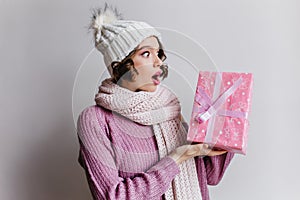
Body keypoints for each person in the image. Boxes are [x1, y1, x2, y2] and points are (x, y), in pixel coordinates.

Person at [77, 4, 234, 200]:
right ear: (120, 65)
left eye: (158, 54)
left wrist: (226, 131)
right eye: (146, 53)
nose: (159, 61)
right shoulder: (95, 120)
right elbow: (113, 196)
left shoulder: (169, 108)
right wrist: (176, 158)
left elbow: (209, 176)